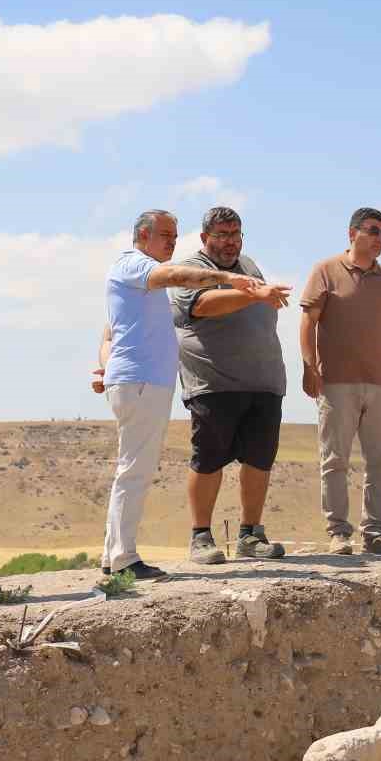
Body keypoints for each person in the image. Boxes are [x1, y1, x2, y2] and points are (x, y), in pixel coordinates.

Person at [91, 209, 266, 580]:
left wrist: (107, 369)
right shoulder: (135, 265)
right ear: (143, 235)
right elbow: (175, 275)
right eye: (166, 235)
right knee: (134, 472)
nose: (172, 242)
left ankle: (113, 553)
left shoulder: (141, 280)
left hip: (143, 382)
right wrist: (227, 278)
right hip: (141, 382)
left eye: (174, 235)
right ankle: (123, 557)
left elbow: (112, 331)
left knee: (133, 469)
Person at [170, 207, 293, 563]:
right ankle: (200, 537)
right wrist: (254, 295)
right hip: (215, 383)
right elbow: (203, 305)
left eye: (235, 234)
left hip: (263, 383)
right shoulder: (193, 268)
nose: (230, 242)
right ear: (204, 237)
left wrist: (257, 293)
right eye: (222, 235)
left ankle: (251, 535)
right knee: (209, 460)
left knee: (259, 459)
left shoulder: (249, 266)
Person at [300, 208, 381, 555]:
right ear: (353, 234)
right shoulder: (325, 270)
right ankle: (338, 532)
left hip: (380, 384)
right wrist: (309, 366)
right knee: (335, 459)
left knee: (380, 462)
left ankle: (375, 532)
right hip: (336, 382)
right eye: (373, 230)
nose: (380, 238)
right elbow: (308, 321)